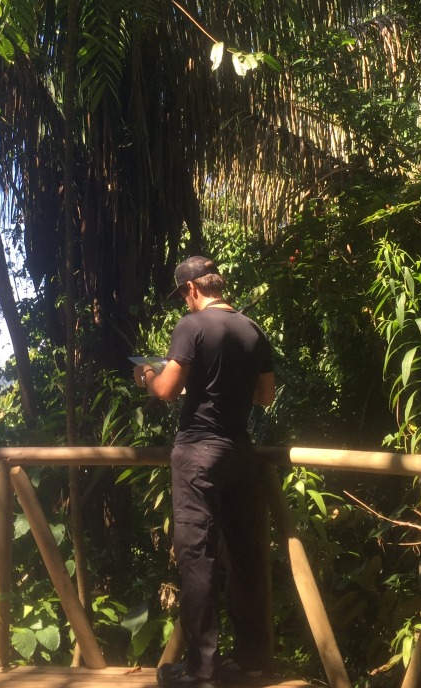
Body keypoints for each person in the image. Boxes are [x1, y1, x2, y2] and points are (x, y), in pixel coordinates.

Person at [134, 256, 276, 688]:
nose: (184, 300)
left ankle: (200, 671)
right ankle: (254, 661)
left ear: (191, 289)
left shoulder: (190, 327)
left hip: (198, 452)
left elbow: (166, 389)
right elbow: (265, 397)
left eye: (183, 294)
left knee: (198, 558)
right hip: (240, 453)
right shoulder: (253, 329)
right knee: (246, 556)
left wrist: (146, 375)